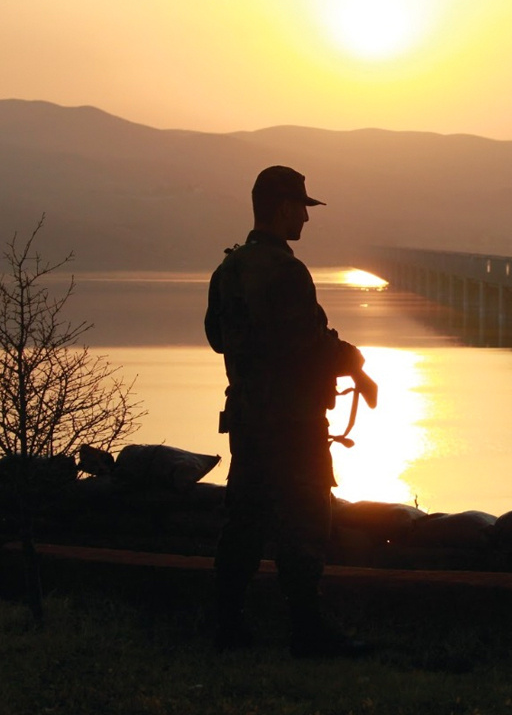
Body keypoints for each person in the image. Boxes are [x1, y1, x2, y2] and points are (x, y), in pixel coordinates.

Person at [205, 165, 377, 657]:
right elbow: (311, 344)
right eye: (302, 206)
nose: (306, 216)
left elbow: (217, 339)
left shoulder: (229, 269)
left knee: (244, 522)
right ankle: (307, 630)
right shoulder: (286, 271)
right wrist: (356, 363)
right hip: (294, 422)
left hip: (248, 419)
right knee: (304, 524)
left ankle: (229, 628)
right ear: (283, 208)